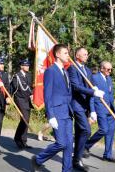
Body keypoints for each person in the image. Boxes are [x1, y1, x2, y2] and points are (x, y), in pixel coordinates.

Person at [31, 44, 74, 172]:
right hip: (57, 112)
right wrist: (51, 116)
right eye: (65, 53)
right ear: (57, 54)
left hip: (67, 113)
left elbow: (68, 93)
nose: (68, 55)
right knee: (61, 143)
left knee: (69, 146)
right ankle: (38, 160)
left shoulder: (65, 72)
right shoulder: (51, 71)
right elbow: (47, 94)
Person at [67, 47, 105, 171]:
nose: (87, 56)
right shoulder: (72, 68)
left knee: (79, 133)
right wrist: (93, 92)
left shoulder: (87, 70)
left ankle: (76, 161)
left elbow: (92, 88)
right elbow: (76, 87)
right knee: (86, 130)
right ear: (77, 56)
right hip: (76, 104)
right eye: (84, 54)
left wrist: (92, 110)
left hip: (85, 106)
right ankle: (78, 155)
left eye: (87, 54)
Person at [85, 61, 115, 163]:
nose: (110, 71)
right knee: (104, 130)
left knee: (111, 132)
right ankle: (86, 145)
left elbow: (111, 96)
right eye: (108, 69)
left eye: (111, 69)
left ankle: (107, 155)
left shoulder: (109, 79)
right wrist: (92, 111)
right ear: (102, 69)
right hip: (100, 108)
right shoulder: (95, 78)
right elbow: (91, 95)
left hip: (110, 110)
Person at [11, 59, 33, 150]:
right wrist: (9, 97)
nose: (28, 67)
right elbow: (12, 88)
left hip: (27, 100)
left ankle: (23, 141)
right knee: (25, 119)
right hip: (19, 100)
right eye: (26, 65)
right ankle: (17, 139)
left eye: (28, 65)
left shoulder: (29, 75)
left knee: (26, 120)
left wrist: (32, 94)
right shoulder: (16, 76)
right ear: (21, 66)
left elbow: (29, 87)